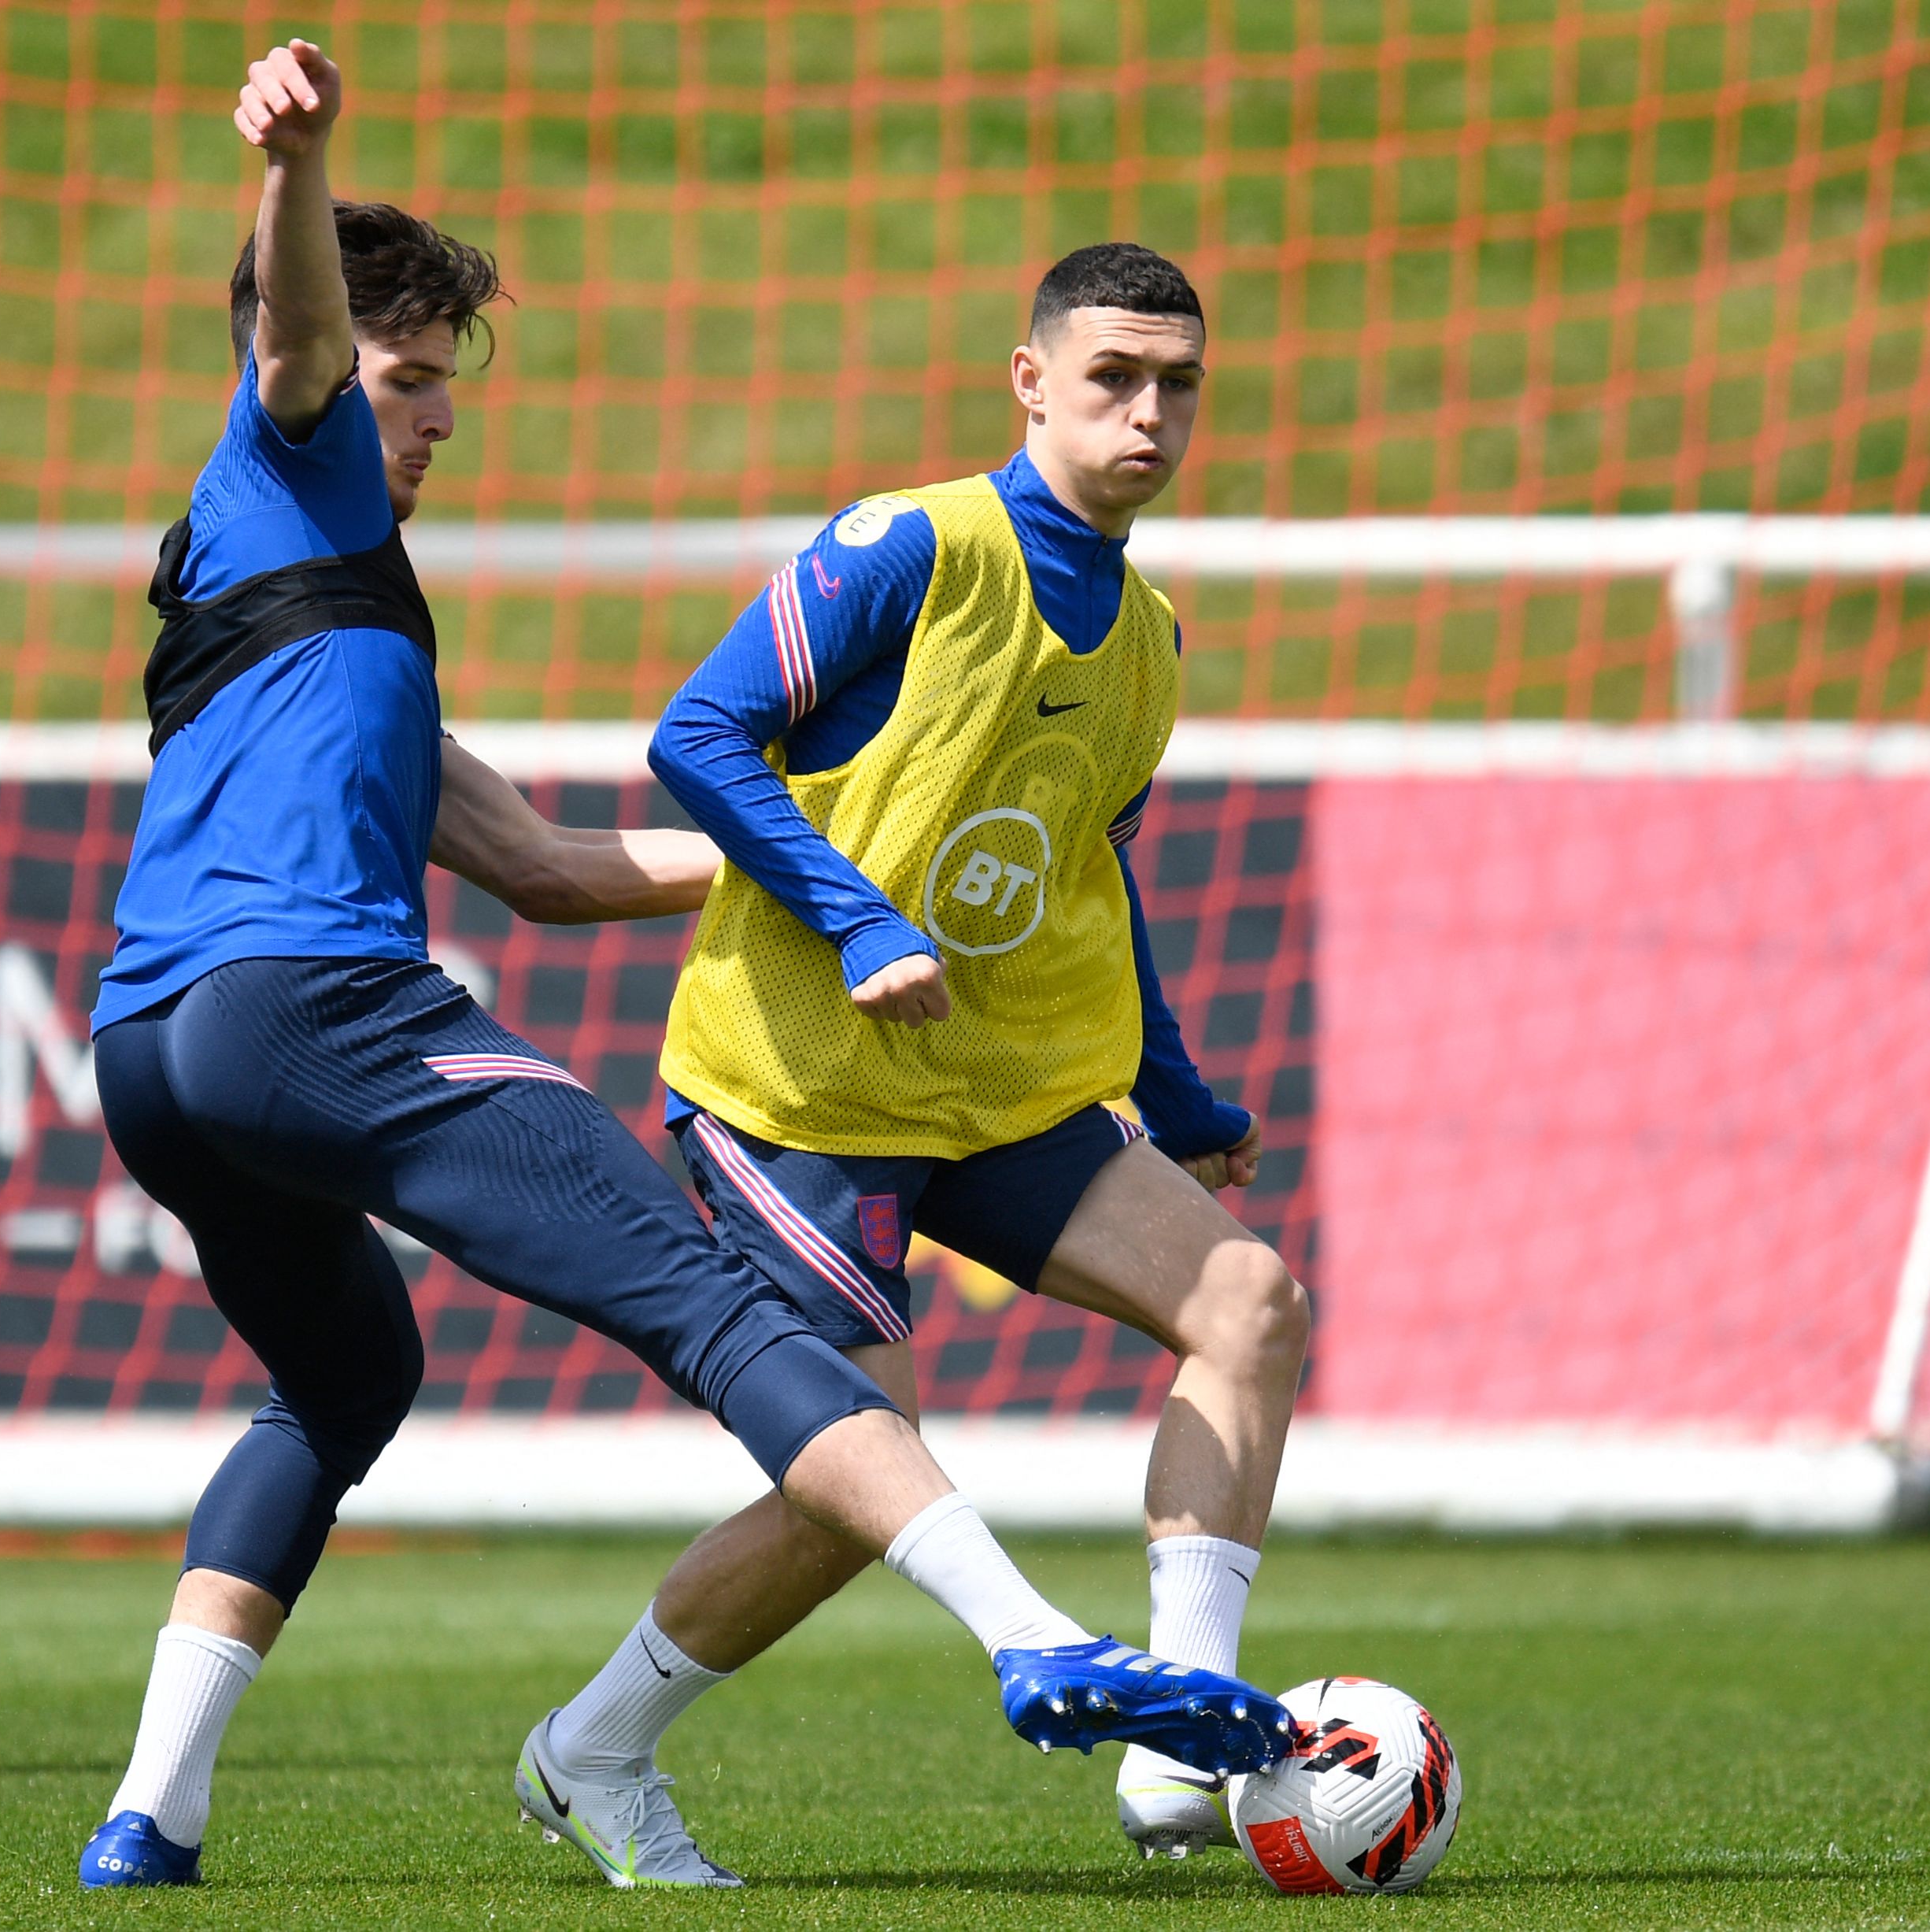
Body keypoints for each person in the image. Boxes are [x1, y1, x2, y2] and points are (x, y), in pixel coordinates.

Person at [76, 50, 1294, 1891]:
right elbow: (297, 343)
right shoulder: (287, 451)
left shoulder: (316, 608)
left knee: (339, 1388)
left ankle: (144, 1818)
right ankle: (1030, 1639)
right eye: (406, 391)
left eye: (434, 401)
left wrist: (827, 873)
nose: (426, 427)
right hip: (311, 1010)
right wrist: (302, 167)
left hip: (151, 1054)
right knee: (724, 1331)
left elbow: (553, 870)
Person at [516, 242, 1310, 1883]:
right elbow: (694, 736)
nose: (1147, 412)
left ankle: (1179, 1738)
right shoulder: (911, 544)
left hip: (995, 1089)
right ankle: (590, 1747)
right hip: (795, 1085)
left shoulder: (1150, 633)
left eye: (1177, 385)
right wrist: (859, 922)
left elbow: (1087, 871)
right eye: (1111, 377)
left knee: (1250, 1306)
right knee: (848, 1483)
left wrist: (1173, 1096)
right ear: (1029, 383)